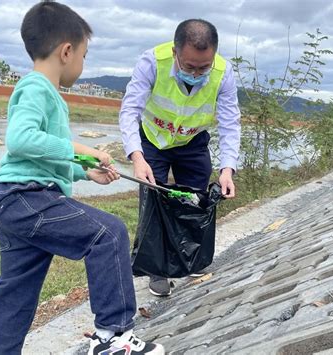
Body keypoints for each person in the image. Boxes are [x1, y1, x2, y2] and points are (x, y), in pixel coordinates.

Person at [0, 2, 164, 355]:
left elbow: (36, 158)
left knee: (16, 295)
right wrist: (82, 148)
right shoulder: (37, 87)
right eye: (84, 55)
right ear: (67, 51)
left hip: (17, 199)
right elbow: (20, 140)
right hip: (26, 198)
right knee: (108, 233)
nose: (83, 65)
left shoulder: (42, 91)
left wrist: (83, 171)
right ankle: (113, 337)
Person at [119, 19, 241, 296]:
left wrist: (227, 169)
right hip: (154, 139)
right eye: (189, 67)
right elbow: (130, 111)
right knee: (154, 202)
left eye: (203, 67)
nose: (197, 74)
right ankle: (157, 270)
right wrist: (137, 158)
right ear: (175, 53)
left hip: (193, 140)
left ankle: (191, 259)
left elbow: (230, 123)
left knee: (195, 200)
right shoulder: (152, 62)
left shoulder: (223, 73)